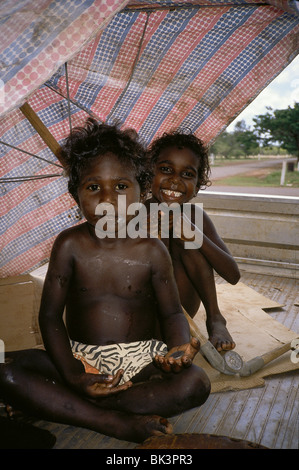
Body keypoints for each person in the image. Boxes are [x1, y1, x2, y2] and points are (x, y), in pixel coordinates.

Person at [0, 119, 210, 444]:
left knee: (195, 384)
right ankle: (111, 420)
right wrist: (73, 375)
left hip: (142, 360)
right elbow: (50, 316)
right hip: (79, 358)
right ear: (76, 194)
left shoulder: (152, 250)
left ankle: (69, 406)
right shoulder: (69, 245)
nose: (108, 199)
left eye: (122, 187)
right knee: (5, 368)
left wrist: (176, 350)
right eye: (94, 187)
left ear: (143, 190)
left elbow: (171, 314)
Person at [146, 130, 241, 352]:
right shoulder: (135, 214)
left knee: (188, 242)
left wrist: (193, 234)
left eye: (187, 174)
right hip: (144, 317)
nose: (175, 180)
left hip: (182, 314)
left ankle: (215, 318)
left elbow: (233, 275)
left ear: (197, 186)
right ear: (149, 174)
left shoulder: (195, 217)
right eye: (166, 170)